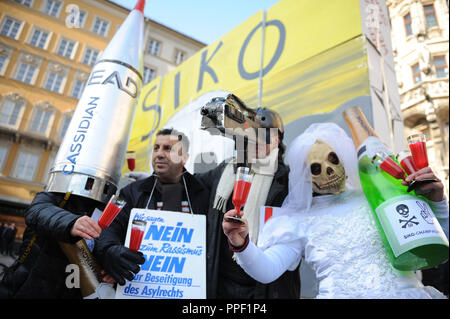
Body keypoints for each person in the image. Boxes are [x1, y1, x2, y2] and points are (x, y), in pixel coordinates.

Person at [223, 122, 449, 299]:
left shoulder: (375, 196)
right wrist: (241, 243)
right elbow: (267, 270)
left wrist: (438, 202)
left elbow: (439, 241)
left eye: (333, 159)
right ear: (305, 177)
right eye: (316, 168)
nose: (329, 171)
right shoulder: (298, 219)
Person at [195, 107, 300, 299]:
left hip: (266, 289)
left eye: (265, 135)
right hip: (220, 284)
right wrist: (150, 179)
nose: (257, 140)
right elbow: (192, 185)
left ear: (277, 139)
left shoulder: (289, 181)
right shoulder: (226, 170)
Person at [94, 128, 210, 286]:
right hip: (140, 286)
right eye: (156, 148)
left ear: (184, 157)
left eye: (168, 149)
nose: (159, 154)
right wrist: (112, 254)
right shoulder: (131, 192)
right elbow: (110, 229)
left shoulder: (203, 193)